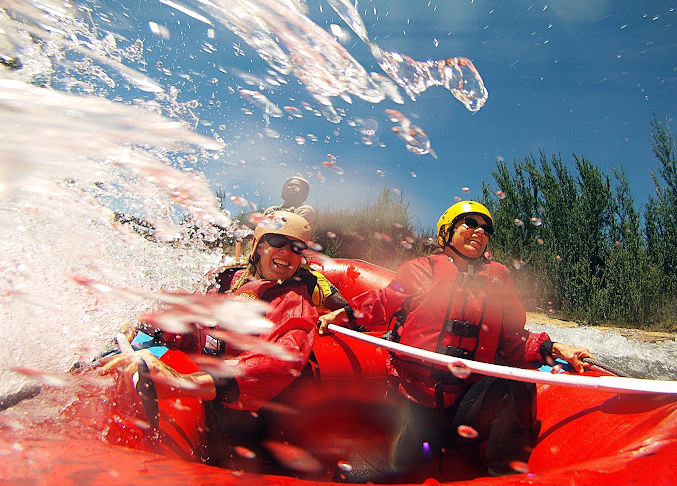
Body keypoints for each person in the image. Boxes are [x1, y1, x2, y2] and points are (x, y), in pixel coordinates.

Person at [319, 201, 593, 481]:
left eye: (485, 229)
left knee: (517, 384)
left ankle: (506, 477)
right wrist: (345, 315)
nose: (479, 232)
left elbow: (512, 340)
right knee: (361, 475)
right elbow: (383, 302)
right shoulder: (421, 269)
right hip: (414, 404)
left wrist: (553, 347)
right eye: (470, 224)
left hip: (465, 409)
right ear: (446, 232)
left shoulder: (497, 280)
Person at [101, 211, 329, 470]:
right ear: (258, 245)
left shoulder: (295, 303)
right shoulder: (227, 283)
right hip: (214, 413)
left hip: (262, 431)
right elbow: (197, 328)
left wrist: (184, 382)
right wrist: (153, 327)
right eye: (277, 241)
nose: (286, 253)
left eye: (296, 247)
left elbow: (278, 359)